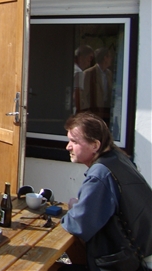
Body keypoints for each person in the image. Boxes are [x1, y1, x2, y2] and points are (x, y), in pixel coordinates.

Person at [60, 112, 152, 271]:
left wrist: (75, 207)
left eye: (74, 141)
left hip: (129, 265)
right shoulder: (119, 158)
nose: (68, 147)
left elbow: (78, 225)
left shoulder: (101, 174)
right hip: (139, 257)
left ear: (95, 145)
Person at [81, 47, 113, 125]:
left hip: (106, 111)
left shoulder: (109, 74)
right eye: (109, 57)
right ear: (105, 58)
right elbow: (83, 95)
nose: (111, 59)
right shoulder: (89, 73)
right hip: (94, 112)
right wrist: (88, 113)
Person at [73, 45, 94, 113]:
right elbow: (77, 95)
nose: (88, 65)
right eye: (88, 60)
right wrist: (79, 112)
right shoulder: (79, 72)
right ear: (81, 58)